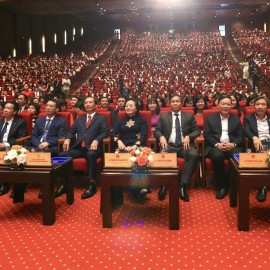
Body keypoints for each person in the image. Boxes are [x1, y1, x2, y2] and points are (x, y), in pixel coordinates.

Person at [59, 97, 109, 200]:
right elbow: (71, 131)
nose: (88, 104)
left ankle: (92, 184)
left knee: (90, 155)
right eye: (86, 102)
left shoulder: (101, 118)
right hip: (79, 148)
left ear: (96, 105)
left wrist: (96, 140)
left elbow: (105, 132)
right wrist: (68, 139)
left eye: (90, 102)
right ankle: (64, 182)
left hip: (92, 148)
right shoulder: (80, 118)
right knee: (62, 155)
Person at [154, 94, 200, 202]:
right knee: (162, 155)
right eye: (173, 101)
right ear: (170, 103)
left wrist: (189, 136)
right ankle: (164, 185)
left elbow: (196, 130)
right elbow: (157, 130)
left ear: (181, 103)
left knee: (193, 154)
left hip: (184, 145)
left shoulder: (188, 115)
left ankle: (183, 186)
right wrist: (161, 137)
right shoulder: (164, 116)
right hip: (169, 145)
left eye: (177, 101)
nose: (175, 103)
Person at [204, 95, 243, 199]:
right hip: (215, 146)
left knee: (238, 156)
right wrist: (218, 145)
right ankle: (222, 186)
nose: (225, 106)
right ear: (218, 105)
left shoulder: (236, 119)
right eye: (223, 104)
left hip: (232, 146)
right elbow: (207, 135)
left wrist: (233, 144)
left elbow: (240, 136)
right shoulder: (210, 118)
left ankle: (237, 184)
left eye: (228, 104)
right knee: (217, 156)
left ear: (231, 106)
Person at [111, 99, 149, 197]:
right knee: (118, 158)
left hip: (137, 145)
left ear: (136, 108)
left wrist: (134, 146)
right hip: (123, 145)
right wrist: (118, 141)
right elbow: (112, 133)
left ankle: (140, 186)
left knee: (139, 158)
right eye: (127, 105)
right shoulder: (121, 121)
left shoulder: (141, 120)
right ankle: (124, 188)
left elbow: (144, 135)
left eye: (131, 105)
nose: (128, 107)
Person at [244, 96, 270, 202]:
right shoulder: (249, 118)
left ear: (267, 107)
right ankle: (263, 186)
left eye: (263, 104)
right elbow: (246, 130)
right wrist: (254, 137)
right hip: (259, 144)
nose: (260, 107)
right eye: (257, 104)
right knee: (265, 157)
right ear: (254, 106)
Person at [0, 100, 27, 196]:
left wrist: (6, 144)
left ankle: (5, 183)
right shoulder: (0, 121)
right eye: (4, 108)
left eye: (8, 108)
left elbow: (20, 138)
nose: (5, 110)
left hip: (11, 147)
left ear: (15, 111)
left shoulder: (20, 122)